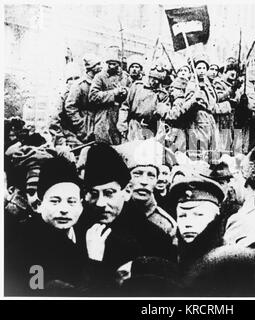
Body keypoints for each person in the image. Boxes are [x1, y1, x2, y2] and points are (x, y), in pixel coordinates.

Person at [81, 143, 175, 289]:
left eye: (109, 193)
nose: (100, 203)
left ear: (127, 191)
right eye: (93, 194)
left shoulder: (154, 239)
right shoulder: (75, 229)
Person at [6, 156, 86, 296]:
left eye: (71, 201)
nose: (64, 209)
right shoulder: (25, 243)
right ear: (40, 204)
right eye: (55, 201)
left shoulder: (89, 234)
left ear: (81, 204)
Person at [114, 139, 177, 239]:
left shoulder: (165, 225)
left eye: (151, 175)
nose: (144, 181)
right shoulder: (112, 214)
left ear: (156, 180)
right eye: (137, 174)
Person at [168, 172, 225, 274]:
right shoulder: (171, 254)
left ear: (216, 217)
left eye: (198, 215)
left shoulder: (226, 256)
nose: (188, 224)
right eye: (182, 216)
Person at [88, 47, 131, 145]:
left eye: (114, 64)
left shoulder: (125, 77)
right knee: (104, 147)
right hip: (104, 117)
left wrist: (126, 91)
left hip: (121, 117)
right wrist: (114, 93)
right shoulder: (100, 77)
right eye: (109, 63)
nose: (111, 66)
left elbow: (132, 94)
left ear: (119, 64)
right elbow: (93, 96)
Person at [117, 64, 169, 141]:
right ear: (149, 77)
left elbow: (163, 117)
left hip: (150, 129)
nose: (156, 81)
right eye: (153, 78)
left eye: (159, 80)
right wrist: (122, 126)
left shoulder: (163, 94)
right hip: (134, 126)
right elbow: (125, 107)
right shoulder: (137, 86)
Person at [183, 54, 219, 161]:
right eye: (199, 68)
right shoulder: (192, 83)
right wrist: (196, 97)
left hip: (210, 117)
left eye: (204, 68)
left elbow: (213, 100)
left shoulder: (208, 84)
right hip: (198, 116)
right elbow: (188, 101)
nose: (202, 70)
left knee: (212, 144)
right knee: (200, 143)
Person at [65, 53, 102, 143]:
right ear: (90, 67)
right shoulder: (79, 85)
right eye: (97, 64)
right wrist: (80, 125)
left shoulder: (100, 83)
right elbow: (70, 107)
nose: (100, 67)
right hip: (86, 126)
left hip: (99, 124)